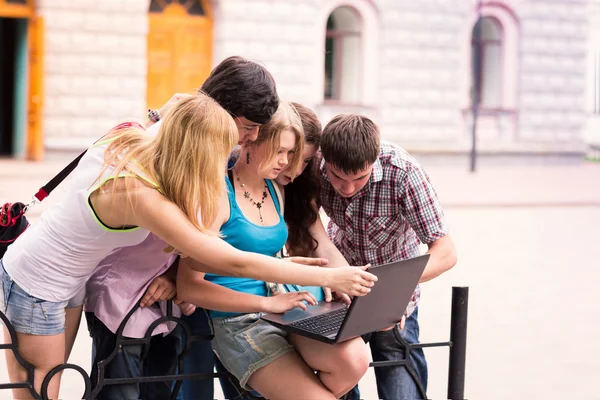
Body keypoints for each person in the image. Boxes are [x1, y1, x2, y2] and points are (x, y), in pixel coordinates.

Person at [0, 95, 376, 400]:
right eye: (226, 147)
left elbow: (177, 106)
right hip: (39, 278)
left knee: (40, 382)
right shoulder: (138, 193)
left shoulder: (149, 156)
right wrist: (325, 275)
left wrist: (280, 265)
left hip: (74, 278)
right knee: (39, 388)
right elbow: (221, 257)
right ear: (197, 148)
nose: (231, 156)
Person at [83, 55, 281, 400]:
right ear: (222, 109)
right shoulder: (171, 140)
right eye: (248, 125)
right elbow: (179, 223)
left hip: (164, 302)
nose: (252, 137)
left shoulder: (218, 148)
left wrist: (176, 275)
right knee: (120, 392)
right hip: (123, 296)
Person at [177, 102, 370, 400]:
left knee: (355, 360)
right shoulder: (217, 192)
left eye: (293, 154)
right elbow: (189, 285)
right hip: (242, 320)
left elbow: (301, 245)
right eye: (280, 151)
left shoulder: (276, 189)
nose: (287, 163)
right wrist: (268, 304)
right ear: (252, 140)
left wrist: (352, 285)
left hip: (286, 306)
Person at [318, 114, 458, 400]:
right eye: (337, 177)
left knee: (402, 392)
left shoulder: (404, 171)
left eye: (359, 178)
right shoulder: (315, 165)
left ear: (375, 159)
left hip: (393, 304)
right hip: (339, 295)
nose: (346, 189)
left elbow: (445, 253)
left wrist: (389, 289)